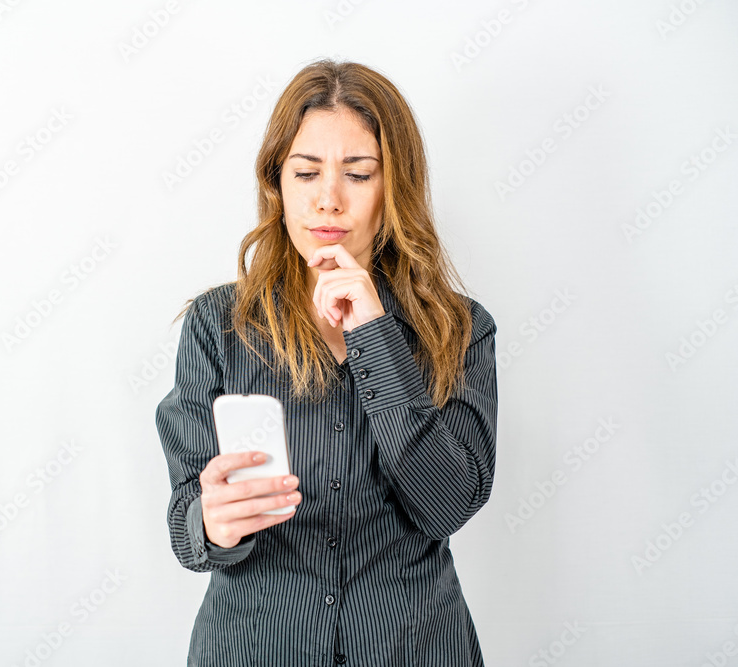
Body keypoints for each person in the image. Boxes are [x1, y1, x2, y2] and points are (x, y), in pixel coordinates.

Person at [155, 58, 498, 667]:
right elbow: (188, 529)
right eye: (306, 172)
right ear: (276, 184)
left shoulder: (461, 328)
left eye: (358, 174)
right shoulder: (218, 325)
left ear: (395, 186)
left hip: (415, 647)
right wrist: (209, 521)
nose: (329, 200)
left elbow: (448, 504)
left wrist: (375, 334)